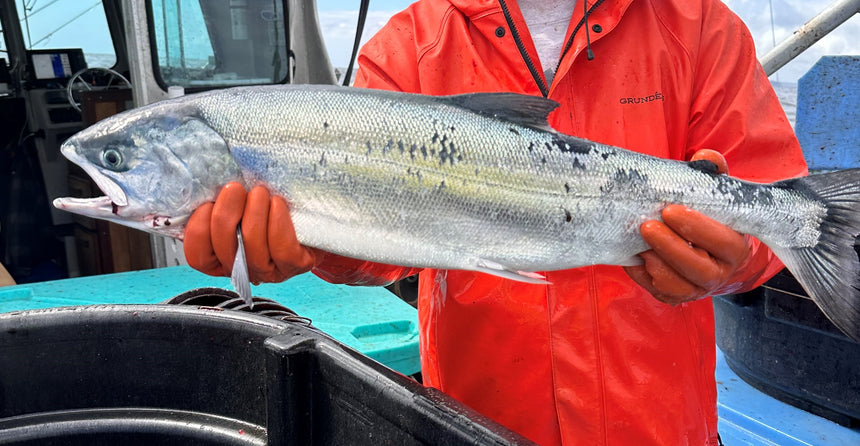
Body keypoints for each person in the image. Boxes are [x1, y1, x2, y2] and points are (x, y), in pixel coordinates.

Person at [184, 0, 809, 444]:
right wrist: (311, 243)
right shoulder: (408, 51)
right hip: (478, 422)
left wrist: (734, 260)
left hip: (660, 427)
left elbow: (764, 205)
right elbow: (378, 252)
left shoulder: (698, 27)